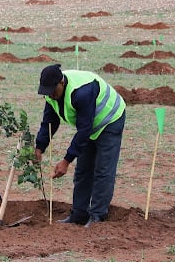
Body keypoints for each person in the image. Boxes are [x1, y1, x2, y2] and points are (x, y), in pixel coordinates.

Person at [34, 64, 126, 227]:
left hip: (110, 119)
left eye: (53, 91)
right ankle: (79, 214)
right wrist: (39, 147)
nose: (51, 95)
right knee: (83, 170)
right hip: (89, 125)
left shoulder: (81, 92)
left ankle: (98, 216)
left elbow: (84, 130)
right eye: (47, 92)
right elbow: (49, 121)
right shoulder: (51, 94)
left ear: (61, 83)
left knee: (103, 170)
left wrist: (66, 160)